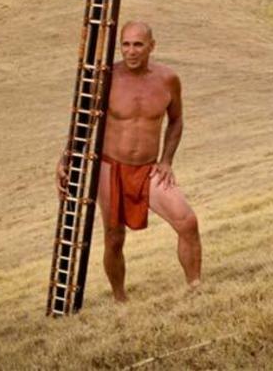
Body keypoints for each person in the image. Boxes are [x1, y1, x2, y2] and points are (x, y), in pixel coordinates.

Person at [56, 20, 202, 302]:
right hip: (110, 168)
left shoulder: (167, 79)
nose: (131, 51)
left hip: (148, 170)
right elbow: (83, 120)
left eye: (138, 44)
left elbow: (176, 119)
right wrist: (66, 157)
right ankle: (120, 299)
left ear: (151, 46)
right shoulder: (107, 77)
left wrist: (167, 160)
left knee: (187, 221)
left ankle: (195, 288)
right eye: (126, 44)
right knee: (114, 237)